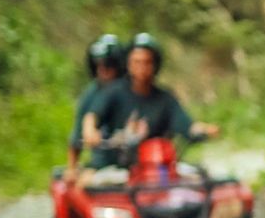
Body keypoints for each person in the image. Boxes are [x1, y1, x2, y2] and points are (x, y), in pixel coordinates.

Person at [81, 33, 221, 162]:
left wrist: (204, 130)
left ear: (155, 65)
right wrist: (90, 130)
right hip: (115, 166)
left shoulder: (165, 98)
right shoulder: (114, 92)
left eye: (147, 62)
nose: (142, 68)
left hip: (155, 169)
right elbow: (93, 115)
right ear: (128, 64)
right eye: (136, 62)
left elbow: (187, 126)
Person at [65, 34, 126, 175]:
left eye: (108, 65)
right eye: (98, 65)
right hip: (103, 165)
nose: (102, 70)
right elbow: (77, 135)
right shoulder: (91, 94)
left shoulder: (132, 90)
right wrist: (72, 168)